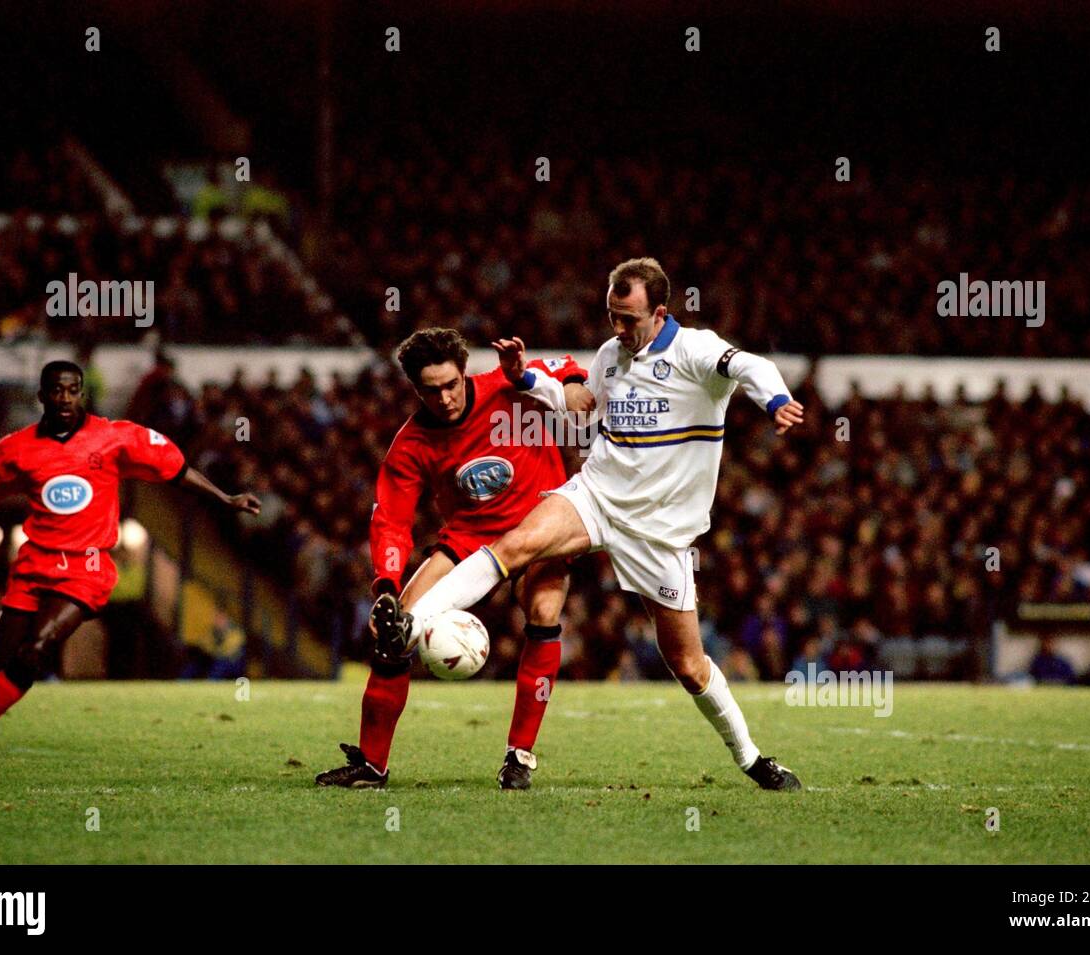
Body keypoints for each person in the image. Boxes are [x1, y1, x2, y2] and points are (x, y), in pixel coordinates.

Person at [372, 257, 807, 791]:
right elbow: (576, 401)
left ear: (661, 312)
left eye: (628, 319)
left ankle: (751, 758)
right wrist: (525, 379)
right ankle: (413, 626)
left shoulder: (695, 351)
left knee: (689, 665)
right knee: (514, 546)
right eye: (611, 316)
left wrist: (777, 400)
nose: (617, 330)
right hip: (596, 496)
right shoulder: (610, 355)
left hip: (661, 533)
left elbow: (752, 367)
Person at [0, 360, 260, 752]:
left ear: (82, 393)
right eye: (56, 390)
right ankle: (15, 684)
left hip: (86, 568)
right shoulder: (15, 449)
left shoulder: (115, 437)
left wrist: (225, 498)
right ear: (42, 396)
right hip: (35, 565)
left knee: (37, 648)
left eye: (72, 390)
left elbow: (174, 469)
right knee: (2, 659)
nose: (65, 398)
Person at [316, 328, 592, 790]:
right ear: (414, 389)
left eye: (451, 385)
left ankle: (519, 756)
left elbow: (563, 366)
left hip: (541, 524)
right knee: (394, 630)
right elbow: (391, 521)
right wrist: (385, 584)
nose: (444, 398)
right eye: (431, 390)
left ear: (465, 373)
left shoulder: (506, 384)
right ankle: (372, 765)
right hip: (470, 538)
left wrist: (571, 383)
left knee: (544, 613)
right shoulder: (410, 445)